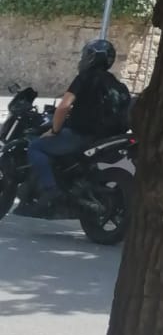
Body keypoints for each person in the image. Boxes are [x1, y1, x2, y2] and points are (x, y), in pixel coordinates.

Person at [26, 38, 120, 212]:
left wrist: (54, 130)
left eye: (87, 55)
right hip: (104, 138)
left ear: (91, 58)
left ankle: (51, 191)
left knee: (36, 147)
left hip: (81, 136)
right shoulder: (116, 83)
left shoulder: (84, 78)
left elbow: (64, 106)